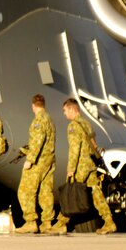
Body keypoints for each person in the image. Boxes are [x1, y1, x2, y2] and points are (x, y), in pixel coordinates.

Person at [49, 98, 116, 235]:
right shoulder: (86, 123)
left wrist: (71, 169)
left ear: (72, 109)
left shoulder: (73, 126)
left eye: (65, 110)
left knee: (71, 192)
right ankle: (109, 221)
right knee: (96, 192)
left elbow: (75, 149)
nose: (64, 114)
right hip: (90, 164)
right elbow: (93, 145)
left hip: (81, 165)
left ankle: (61, 223)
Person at [14, 94, 55, 234]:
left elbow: (38, 141)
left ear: (33, 106)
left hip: (38, 162)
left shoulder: (39, 120)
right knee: (45, 192)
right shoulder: (49, 119)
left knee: (25, 191)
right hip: (48, 161)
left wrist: (29, 160)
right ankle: (47, 222)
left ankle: (31, 221)